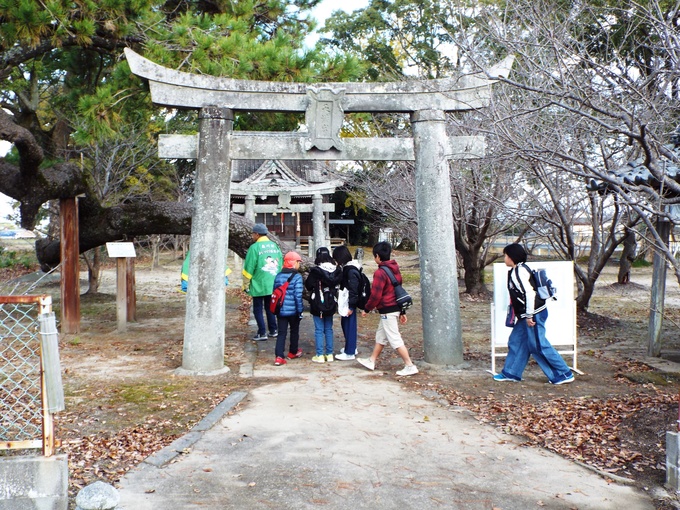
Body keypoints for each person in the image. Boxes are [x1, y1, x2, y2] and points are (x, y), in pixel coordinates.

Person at [493, 243, 574, 384]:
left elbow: (529, 294)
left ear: (512, 257)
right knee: (517, 341)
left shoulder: (519, 272)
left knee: (538, 345)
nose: (504, 258)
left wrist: (529, 316)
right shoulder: (517, 270)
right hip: (528, 315)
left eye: (506, 255)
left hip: (534, 314)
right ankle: (511, 372)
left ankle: (564, 373)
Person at [357, 242, 418, 376]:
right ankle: (371, 360)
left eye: (374, 256)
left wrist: (366, 309)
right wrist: (402, 311)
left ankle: (409, 365)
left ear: (377, 256)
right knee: (381, 337)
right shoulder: (395, 268)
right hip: (394, 307)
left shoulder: (380, 273)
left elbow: (376, 295)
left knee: (394, 338)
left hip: (388, 310)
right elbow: (398, 291)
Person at [242, 223, 283, 341]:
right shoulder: (275, 245)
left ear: (257, 234)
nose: (252, 236)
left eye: (252, 234)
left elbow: (249, 267)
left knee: (258, 308)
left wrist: (245, 283)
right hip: (273, 281)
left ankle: (262, 332)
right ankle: (273, 330)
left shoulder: (254, 248)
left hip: (259, 283)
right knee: (271, 307)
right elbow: (280, 263)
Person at [305, 246, 342, 363]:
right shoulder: (336, 270)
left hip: (318, 302)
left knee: (319, 329)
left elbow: (309, 285)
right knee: (329, 329)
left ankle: (320, 355)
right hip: (331, 302)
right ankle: (330, 354)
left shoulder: (316, 271)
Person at [272, 251, 304, 366]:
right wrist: (300, 310)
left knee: (281, 333)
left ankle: (279, 356)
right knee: (294, 331)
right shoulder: (297, 277)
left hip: (280, 309)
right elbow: (298, 295)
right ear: (293, 263)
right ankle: (293, 352)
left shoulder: (278, 275)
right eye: (298, 262)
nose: (299, 264)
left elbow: (275, 292)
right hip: (293, 310)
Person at [332, 245, 361, 360]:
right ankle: (351, 347)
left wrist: (351, 306)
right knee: (346, 324)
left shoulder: (350, 270)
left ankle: (350, 352)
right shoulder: (349, 268)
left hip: (349, 303)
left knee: (349, 326)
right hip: (347, 302)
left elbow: (354, 290)